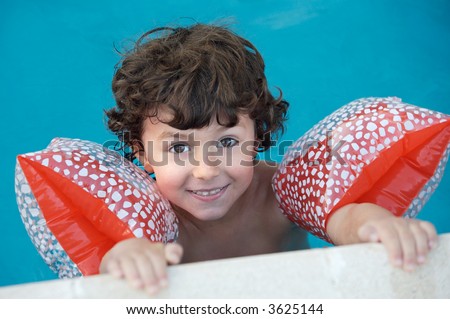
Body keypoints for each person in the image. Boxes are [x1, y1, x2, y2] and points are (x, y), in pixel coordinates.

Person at [102, 23, 437, 295]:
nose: (206, 171)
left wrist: (373, 225)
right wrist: (124, 256)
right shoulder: (146, 219)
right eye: (178, 149)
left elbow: (342, 217)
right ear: (142, 153)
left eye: (228, 142)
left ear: (257, 136)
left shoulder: (282, 193)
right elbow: (105, 264)